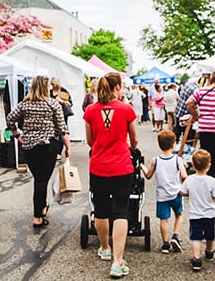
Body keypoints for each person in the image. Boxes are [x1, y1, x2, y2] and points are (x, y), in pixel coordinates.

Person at [83, 72, 138, 278]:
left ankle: (105, 248)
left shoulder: (90, 110)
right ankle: (117, 262)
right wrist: (130, 147)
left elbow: (90, 140)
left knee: (101, 209)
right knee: (121, 211)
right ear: (117, 88)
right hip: (122, 167)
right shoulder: (126, 109)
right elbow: (134, 139)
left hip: (98, 166)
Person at [6, 75, 71, 228]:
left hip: (29, 147)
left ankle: (42, 208)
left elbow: (10, 119)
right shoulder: (53, 104)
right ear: (45, 87)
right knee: (42, 180)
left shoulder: (25, 104)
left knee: (39, 179)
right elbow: (62, 129)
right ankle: (37, 216)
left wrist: (17, 135)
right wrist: (68, 147)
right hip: (48, 145)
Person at [186, 68, 215, 193]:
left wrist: (197, 117)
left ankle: (208, 188)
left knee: (207, 159)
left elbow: (189, 103)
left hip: (206, 130)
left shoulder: (201, 91)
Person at [141, 130, 187, 254]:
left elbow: (149, 175)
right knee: (179, 215)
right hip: (176, 193)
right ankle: (176, 236)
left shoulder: (155, 160)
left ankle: (165, 244)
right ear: (173, 144)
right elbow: (184, 175)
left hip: (162, 195)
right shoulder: (178, 160)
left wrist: (142, 167)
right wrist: (183, 186)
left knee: (163, 219)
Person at [179, 148, 215, 272]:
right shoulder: (211, 181)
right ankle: (209, 252)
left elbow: (182, 192)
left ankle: (196, 259)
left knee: (196, 237)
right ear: (209, 166)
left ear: (192, 165)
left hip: (195, 214)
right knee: (209, 235)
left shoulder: (189, 180)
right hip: (209, 213)